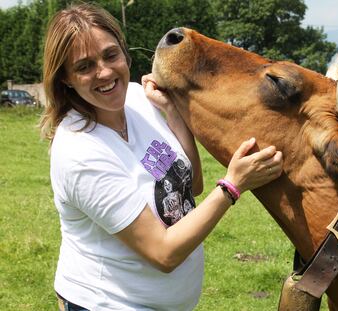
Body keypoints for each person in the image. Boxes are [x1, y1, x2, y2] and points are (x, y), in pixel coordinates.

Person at [39, 3, 283, 311]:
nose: (104, 72)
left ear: (124, 53)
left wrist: (173, 115)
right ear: (65, 78)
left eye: (110, 55)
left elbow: (190, 186)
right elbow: (164, 253)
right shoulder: (80, 152)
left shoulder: (139, 99)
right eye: (84, 66)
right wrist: (233, 186)